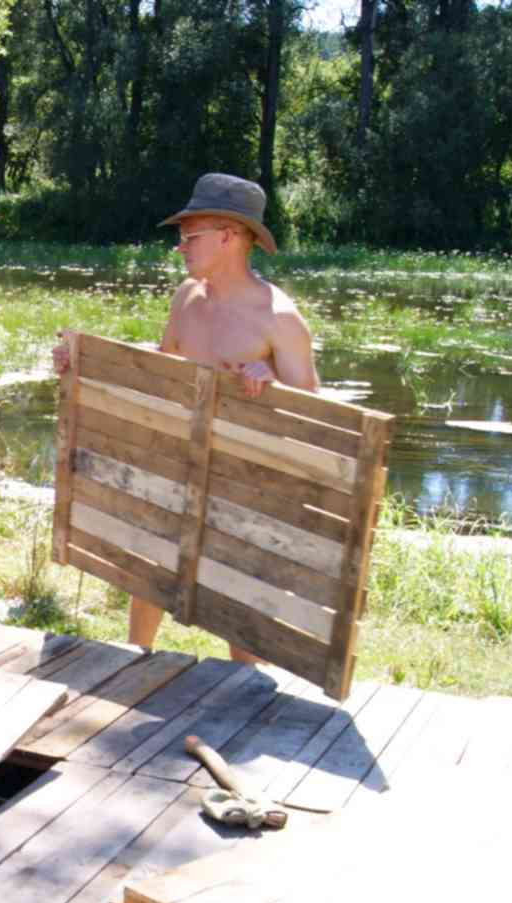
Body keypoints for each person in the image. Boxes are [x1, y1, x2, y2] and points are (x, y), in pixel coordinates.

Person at [56, 172, 318, 661]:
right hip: (181, 461)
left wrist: (274, 382)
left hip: (245, 482)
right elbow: (162, 365)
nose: (179, 247)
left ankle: (244, 687)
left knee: (237, 584)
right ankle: (136, 658)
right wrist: (83, 362)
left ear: (230, 236)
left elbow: (314, 414)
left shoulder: (278, 318)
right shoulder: (186, 298)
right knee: (153, 556)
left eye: (189, 236)